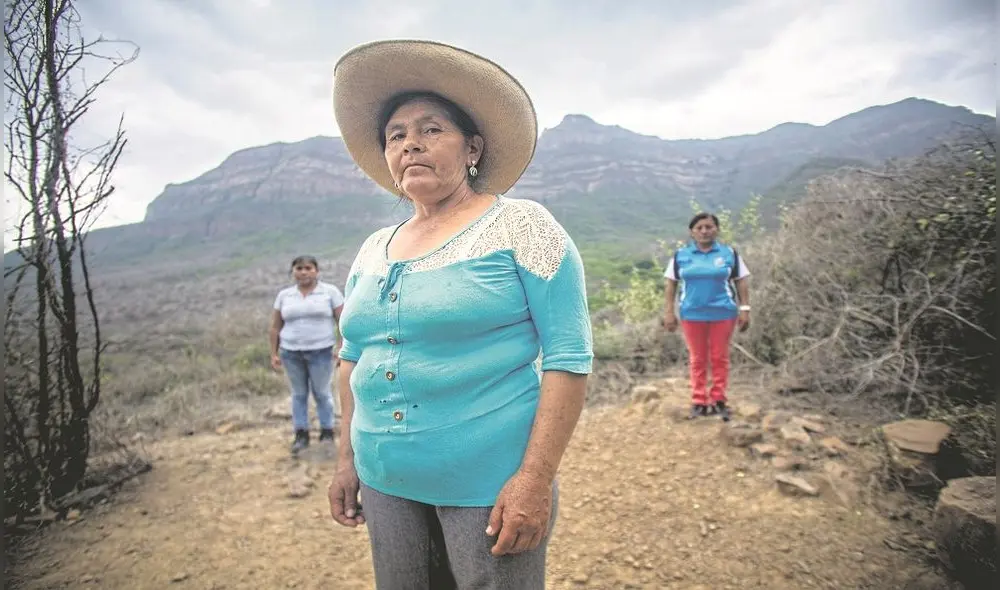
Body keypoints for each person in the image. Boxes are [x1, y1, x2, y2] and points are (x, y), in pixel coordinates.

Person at [327, 39, 593, 589]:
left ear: (472, 147)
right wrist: (345, 460)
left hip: (488, 483)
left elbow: (569, 357)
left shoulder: (522, 227)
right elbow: (351, 358)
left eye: (430, 130)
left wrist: (534, 480)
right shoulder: (374, 247)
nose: (410, 145)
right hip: (384, 479)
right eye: (396, 136)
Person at [662, 213, 751, 422]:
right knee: (698, 358)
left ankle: (719, 400)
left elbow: (741, 281)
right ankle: (699, 401)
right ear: (692, 232)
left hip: (723, 313)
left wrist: (745, 308)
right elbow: (671, 285)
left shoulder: (729, 254)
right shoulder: (681, 256)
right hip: (691, 314)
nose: (704, 231)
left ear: (716, 229)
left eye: (709, 227)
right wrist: (669, 312)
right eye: (699, 227)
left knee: (719, 357)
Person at [269, 255, 345, 453]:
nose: (303, 272)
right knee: (299, 394)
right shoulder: (285, 296)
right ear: (293, 272)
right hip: (291, 353)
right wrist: (274, 353)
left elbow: (343, 322)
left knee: (322, 393)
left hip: (321, 352)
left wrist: (342, 347)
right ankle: (301, 434)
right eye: (299, 268)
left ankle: (327, 432)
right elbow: (276, 326)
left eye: (308, 268)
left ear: (316, 271)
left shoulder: (330, 293)